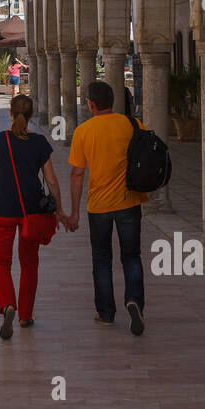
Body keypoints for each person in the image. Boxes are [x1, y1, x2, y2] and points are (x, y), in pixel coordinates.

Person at [65, 80, 148, 335]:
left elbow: (77, 175)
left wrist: (74, 212)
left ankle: (106, 313)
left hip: (98, 206)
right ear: (113, 101)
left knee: (101, 259)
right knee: (131, 256)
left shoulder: (83, 131)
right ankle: (134, 301)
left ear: (90, 105)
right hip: (129, 201)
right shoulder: (131, 124)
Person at [0, 94, 62, 339]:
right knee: (29, 263)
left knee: (0, 262)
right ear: (31, 116)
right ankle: (26, 315)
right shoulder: (39, 143)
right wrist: (59, 209)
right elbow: (50, 179)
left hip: (3, 212)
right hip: (32, 213)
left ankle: (8, 305)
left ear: (10, 113)